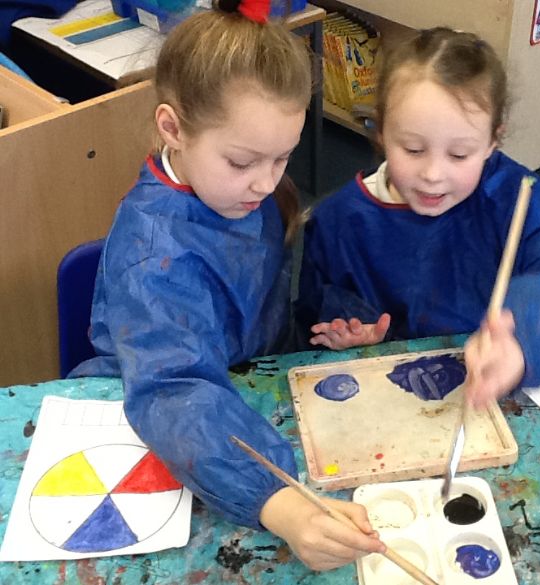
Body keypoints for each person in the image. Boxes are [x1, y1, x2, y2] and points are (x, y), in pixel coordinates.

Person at [70, 2, 384, 571]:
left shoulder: (242, 191)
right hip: (170, 418)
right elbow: (174, 389)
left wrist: (330, 324)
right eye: (243, 162)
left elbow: (262, 305)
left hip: (248, 384)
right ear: (173, 128)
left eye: (282, 158)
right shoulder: (154, 257)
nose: (265, 183)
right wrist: (278, 502)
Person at [296, 27, 540, 408]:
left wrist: (522, 341)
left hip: (482, 395)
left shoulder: (510, 196)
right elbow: (310, 330)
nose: (433, 174)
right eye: (413, 149)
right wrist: (354, 336)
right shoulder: (337, 222)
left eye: (459, 155)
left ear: (492, 141)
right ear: (381, 131)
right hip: (384, 401)